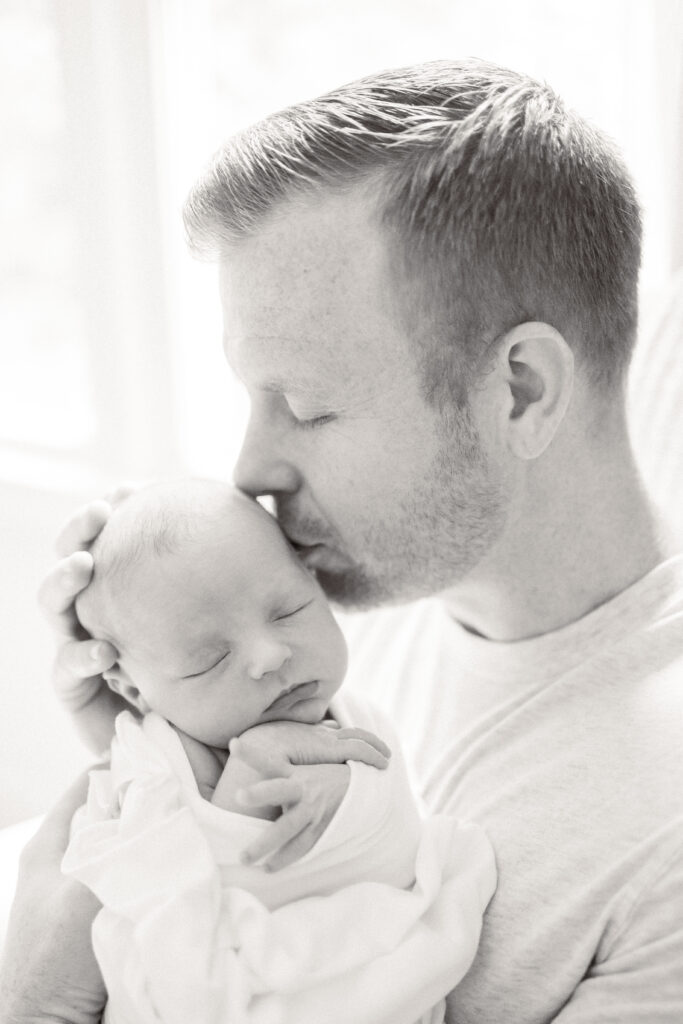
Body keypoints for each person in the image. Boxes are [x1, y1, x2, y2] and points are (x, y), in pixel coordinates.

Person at [2, 56, 683, 1023]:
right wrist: (160, 746)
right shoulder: (337, 597)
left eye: (306, 408)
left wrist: (37, 1002)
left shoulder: (659, 857)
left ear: (520, 389)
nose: (251, 470)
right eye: (251, 399)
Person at [59, 477, 494, 1024]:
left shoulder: (358, 718)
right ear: (133, 690)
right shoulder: (151, 766)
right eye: (209, 659)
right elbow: (158, 901)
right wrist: (248, 786)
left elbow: (398, 831)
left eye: (289, 610)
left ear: (314, 581)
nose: (268, 655)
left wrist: (354, 798)